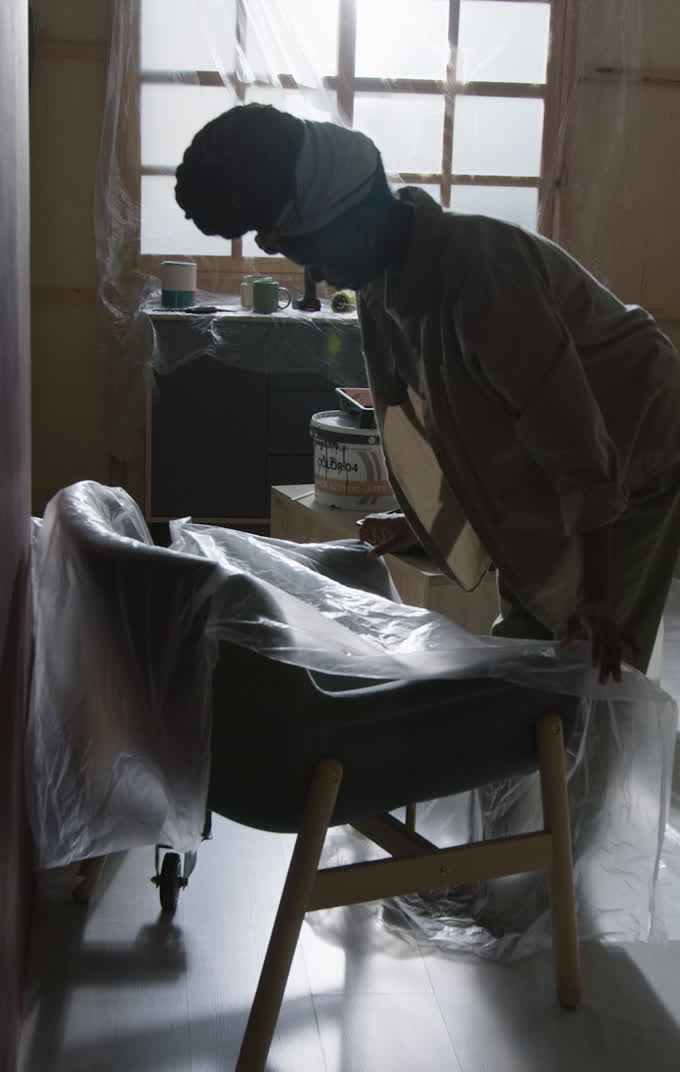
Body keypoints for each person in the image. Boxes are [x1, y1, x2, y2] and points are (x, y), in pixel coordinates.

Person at [175, 103, 680, 684]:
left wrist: (596, 595)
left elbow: (572, 439)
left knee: (591, 659)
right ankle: (536, 756)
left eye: (314, 254)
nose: (316, 277)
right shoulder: (380, 284)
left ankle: (581, 767)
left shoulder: (481, 270)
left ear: (353, 223)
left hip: (631, 442)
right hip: (564, 451)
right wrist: (422, 525)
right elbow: (458, 424)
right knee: (532, 642)